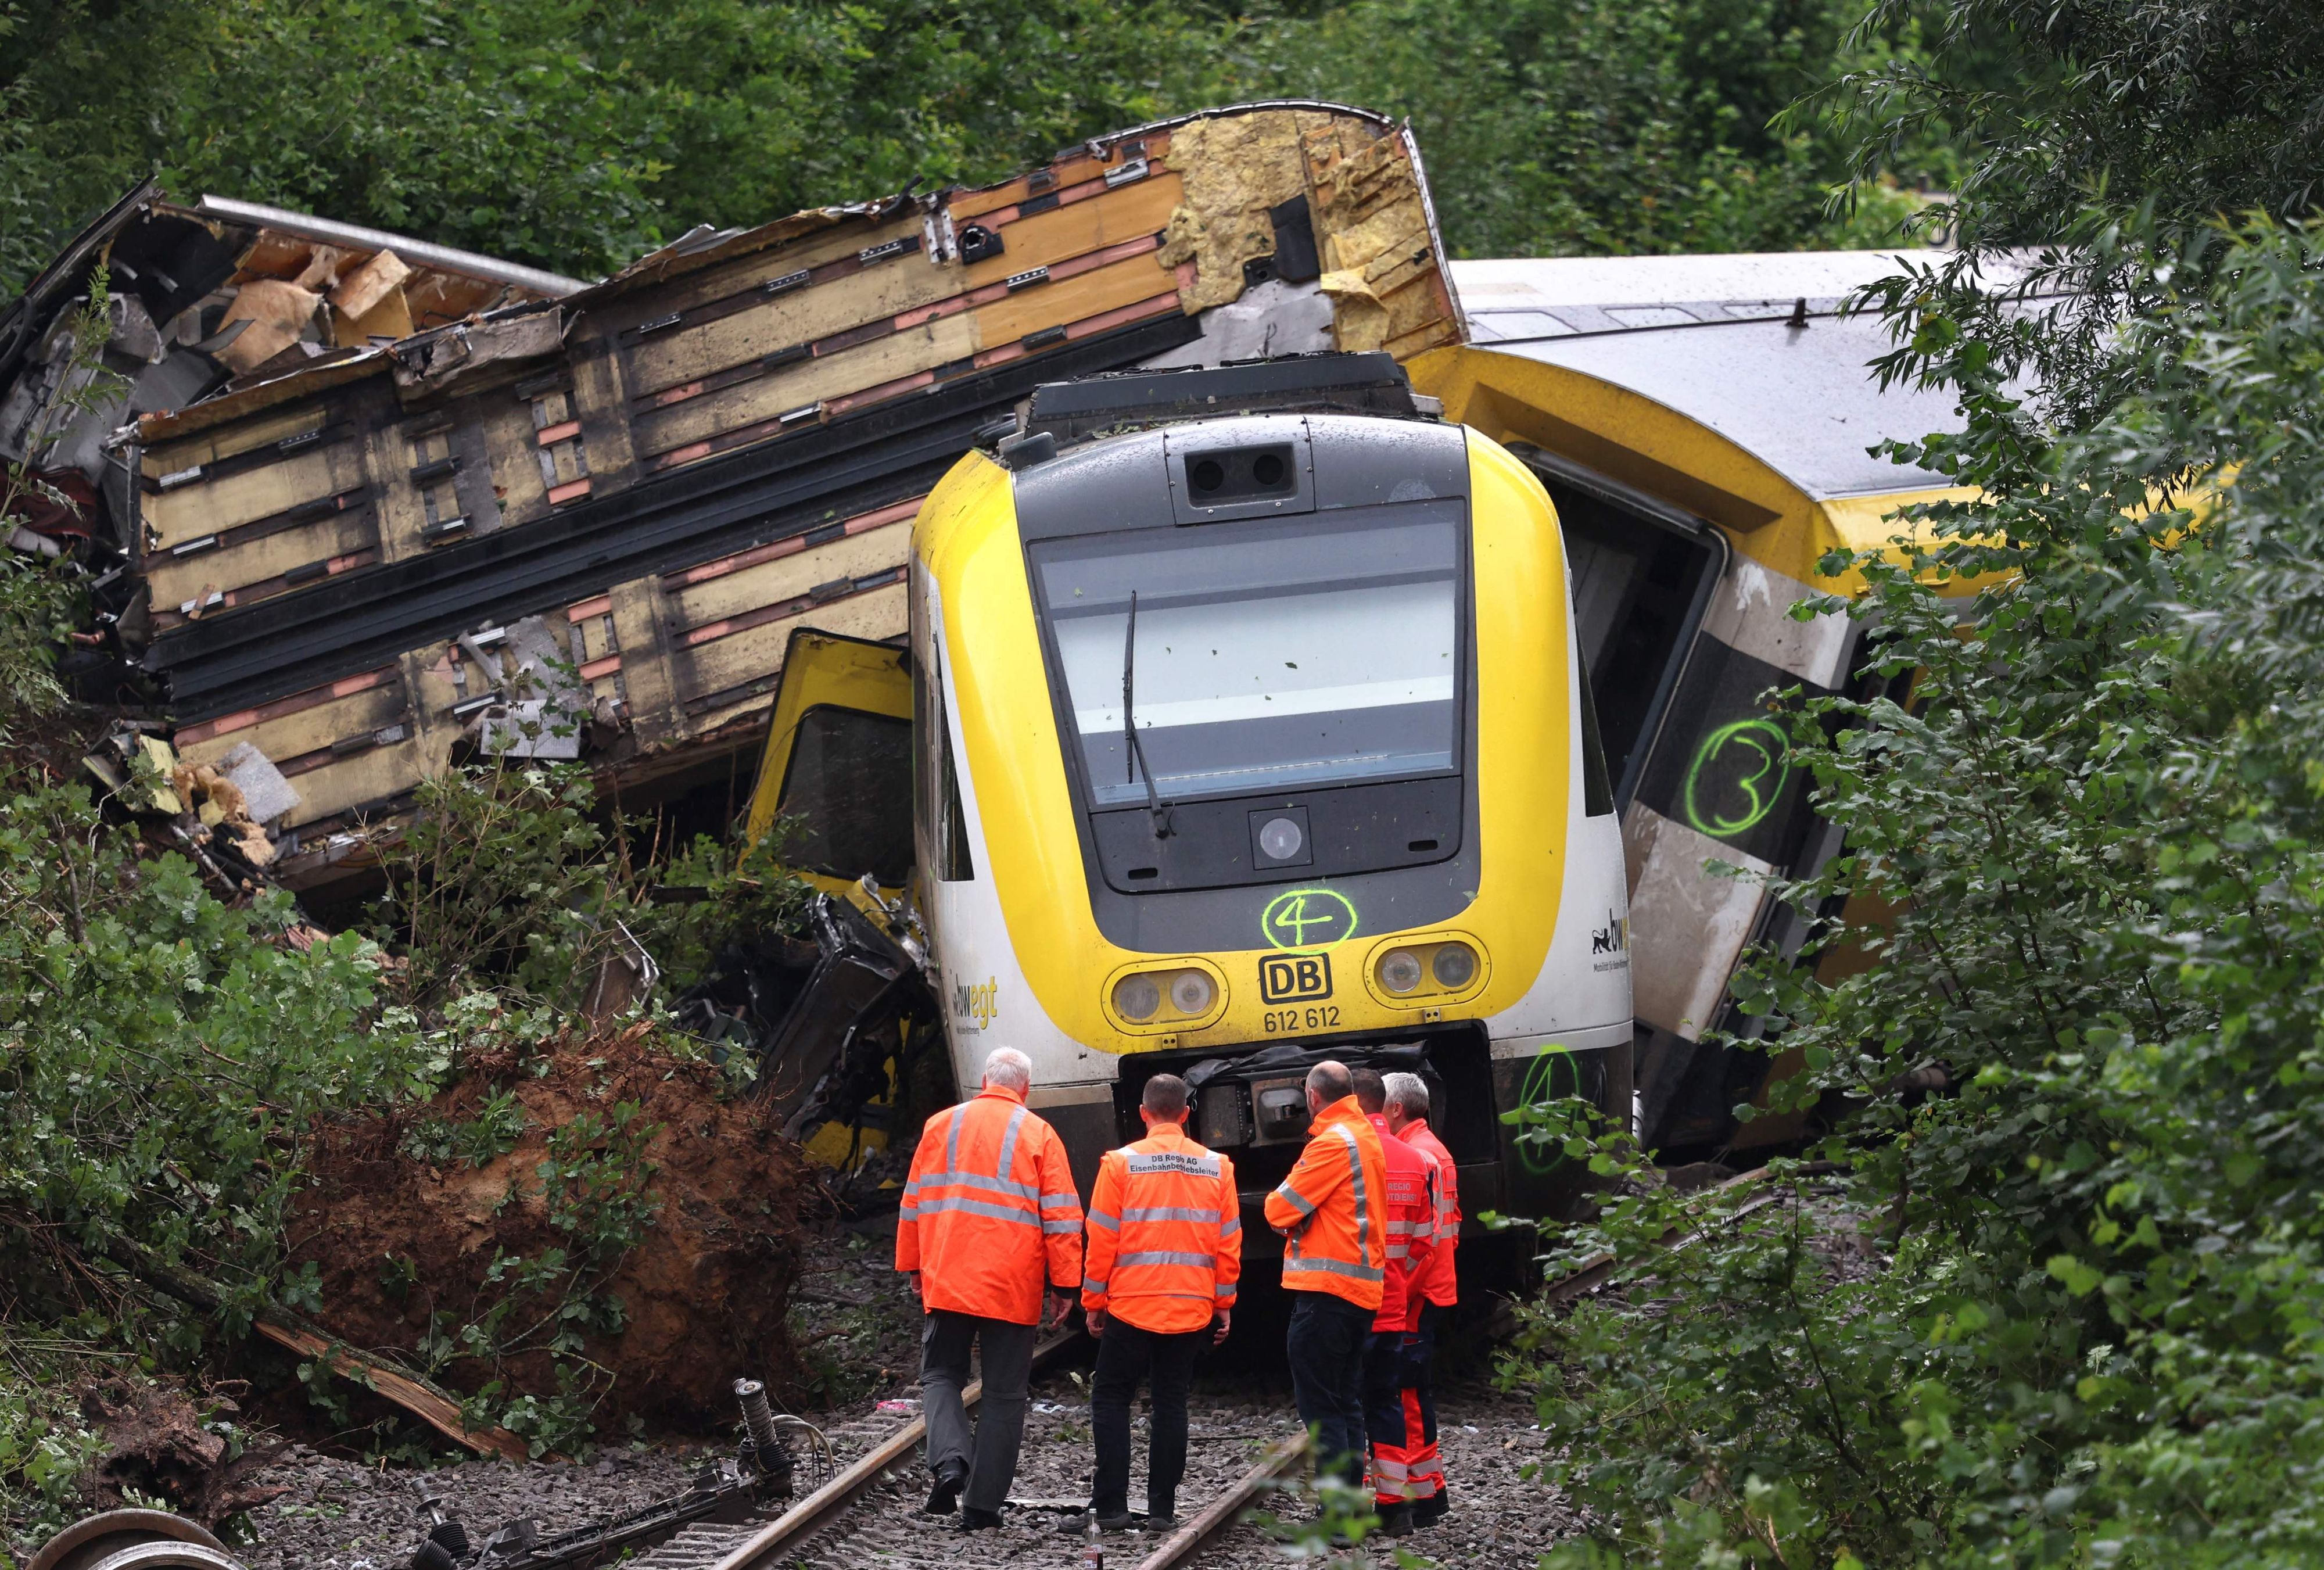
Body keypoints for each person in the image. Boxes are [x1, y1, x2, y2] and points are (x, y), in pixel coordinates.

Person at [895, 1046, 1084, 1530]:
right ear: (1025, 1089)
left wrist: (914, 1267)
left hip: (950, 1277)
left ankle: (951, 1461)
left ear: (983, 1080)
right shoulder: (1039, 1133)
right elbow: (1062, 1218)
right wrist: (1066, 1284)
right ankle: (981, 1508)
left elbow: (913, 1202)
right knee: (1003, 1395)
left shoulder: (941, 1125)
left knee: (940, 1375)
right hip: (1010, 1283)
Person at [1059, 1073, 1240, 1537]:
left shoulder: (1120, 1164)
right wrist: (1223, 1302)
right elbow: (1228, 1244)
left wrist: (1093, 1301)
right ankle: (1162, 1510)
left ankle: (1112, 1508)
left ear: (1143, 1114)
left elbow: (1101, 1238)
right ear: (1186, 1114)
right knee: (1171, 1404)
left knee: (1112, 1399)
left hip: (1131, 1307)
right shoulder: (1218, 1167)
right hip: (1191, 1308)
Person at [1263, 1059, 1387, 1487]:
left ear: (1313, 1098)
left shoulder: (1332, 1143)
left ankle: (1338, 1514)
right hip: (1359, 1293)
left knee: (1322, 1410)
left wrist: (1292, 1220)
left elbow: (1278, 1208)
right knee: (1346, 1403)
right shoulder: (1364, 1135)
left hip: (1326, 1294)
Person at [1351, 1067, 1439, 1537]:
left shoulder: (1344, 1154)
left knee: (1345, 1403)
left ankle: (1349, 1504)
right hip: (1393, 1305)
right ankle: (1396, 1507)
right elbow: (1426, 1240)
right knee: (1387, 1402)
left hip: (1348, 1305)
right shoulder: (1418, 1160)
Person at [1382, 1070, 1458, 1526]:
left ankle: (1416, 1495)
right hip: (1429, 1287)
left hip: (1415, 1293)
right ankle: (1430, 1490)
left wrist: (1394, 1295)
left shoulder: (1418, 1156)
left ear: (1395, 1109)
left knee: (1406, 1393)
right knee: (1413, 1391)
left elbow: (1422, 1240)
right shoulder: (1435, 1151)